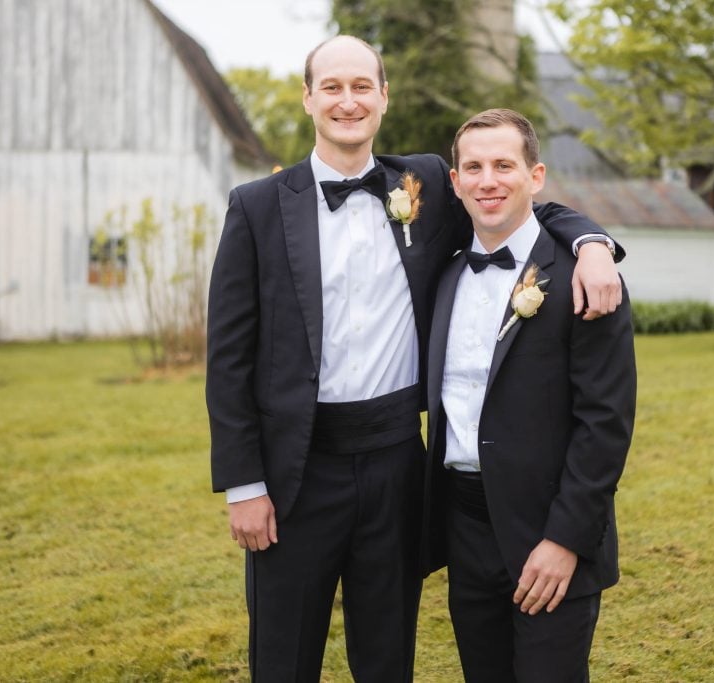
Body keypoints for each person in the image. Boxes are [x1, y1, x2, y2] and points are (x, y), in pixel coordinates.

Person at [206, 36, 624, 682]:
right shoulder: (258, 207)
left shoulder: (426, 181)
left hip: (399, 466)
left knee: (387, 656)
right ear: (309, 98)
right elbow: (229, 356)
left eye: (363, 87)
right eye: (333, 87)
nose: (349, 101)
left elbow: (517, 206)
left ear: (384, 97)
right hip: (295, 473)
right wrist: (245, 483)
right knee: (282, 659)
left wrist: (592, 241)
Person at [422, 109, 636, 682]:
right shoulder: (442, 271)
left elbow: (605, 423)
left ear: (535, 176)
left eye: (503, 165)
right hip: (464, 528)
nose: (487, 180)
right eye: (473, 167)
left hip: (549, 532)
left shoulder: (584, 280)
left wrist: (564, 540)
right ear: (455, 181)